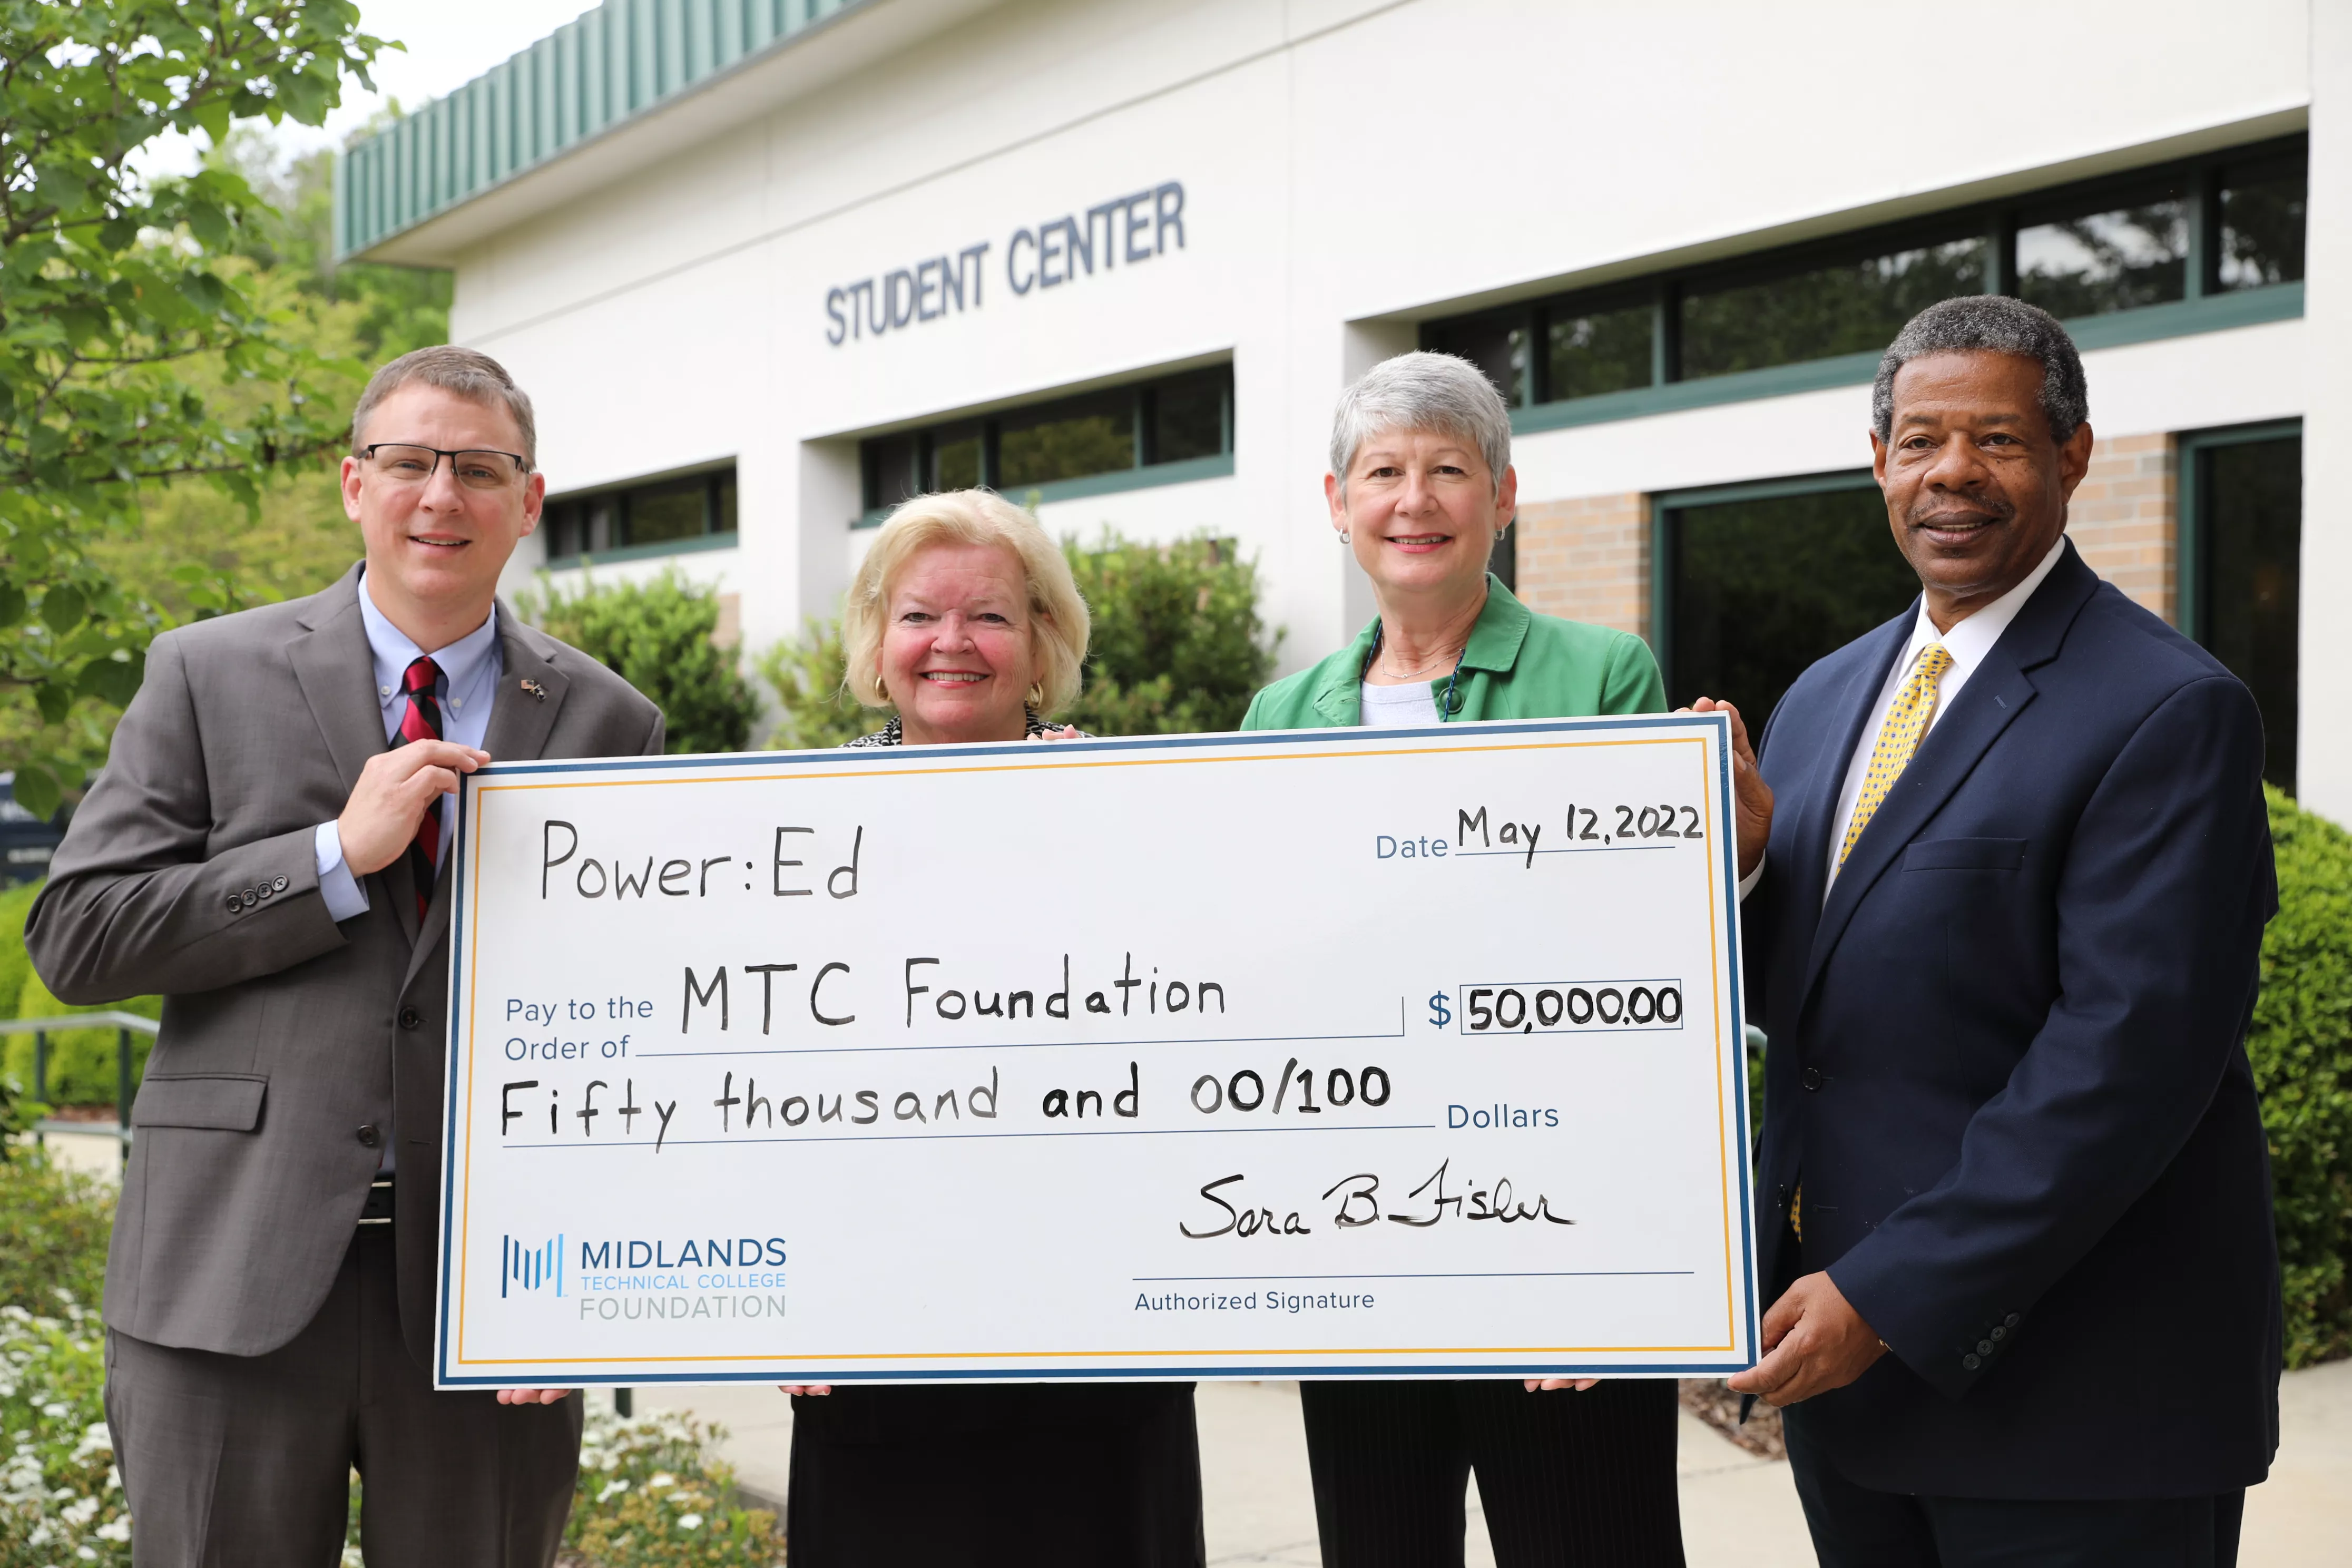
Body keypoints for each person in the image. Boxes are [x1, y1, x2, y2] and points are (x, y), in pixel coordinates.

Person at [25, 346, 664, 1565]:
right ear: (351, 484)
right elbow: (80, 934)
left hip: (493, 1298)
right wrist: (330, 857)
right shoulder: (204, 672)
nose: (441, 496)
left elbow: (640, 1012)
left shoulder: (608, 719)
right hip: (229, 1273)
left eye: (480, 469)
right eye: (409, 461)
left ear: (529, 502)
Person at [1724, 296, 2279, 1567]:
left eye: (1999, 440)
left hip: (2076, 1399)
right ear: (1878, 463)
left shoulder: (2172, 710)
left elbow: (2127, 1063)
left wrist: (1886, 1296)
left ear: (2074, 454)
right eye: (1920, 442)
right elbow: (1825, 1010)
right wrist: (1752, 877)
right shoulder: (1822, 698)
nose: (1953, 474)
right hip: (1854, 1391)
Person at [1241, 352, 1685, 1567]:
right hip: (1362, 1241)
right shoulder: (1281, 719)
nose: (1414, 499)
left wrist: (1619, 1261)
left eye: (1448, 469)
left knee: (1594, 1541)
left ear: (1503, 495)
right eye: (1383, 471)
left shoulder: (1604, 675)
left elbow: (1649, 989)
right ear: (1338, 504)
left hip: (1556, 1231)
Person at [777, 488, 1204, 1568]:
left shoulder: (1141, 816)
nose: (951, 645)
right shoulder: (788, 834)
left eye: (992, 617)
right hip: (872, 1337)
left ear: (1044, 640)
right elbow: (755, 1079)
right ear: (878, 642)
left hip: (1098, 1339)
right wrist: (774, 1297)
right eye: (920, 615)